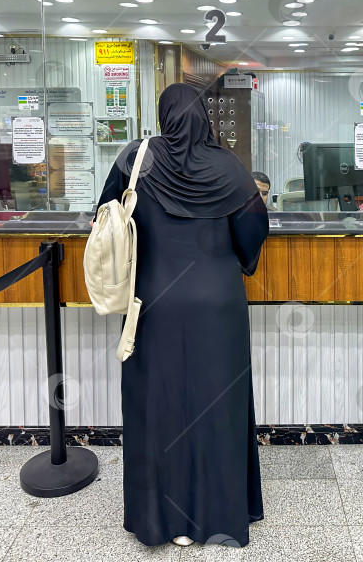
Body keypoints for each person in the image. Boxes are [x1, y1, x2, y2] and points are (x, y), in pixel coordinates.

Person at [96, 83, 269, 547]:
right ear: (205, 117)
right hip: (219, 304)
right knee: (219, 408)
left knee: (158, 408)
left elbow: (105, 214)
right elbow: (253, 230)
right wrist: (234, 260)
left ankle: (163, 521)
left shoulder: (136, 159)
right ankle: (221, 512)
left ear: (164, 114)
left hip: (153, 303)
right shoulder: (229, 166)